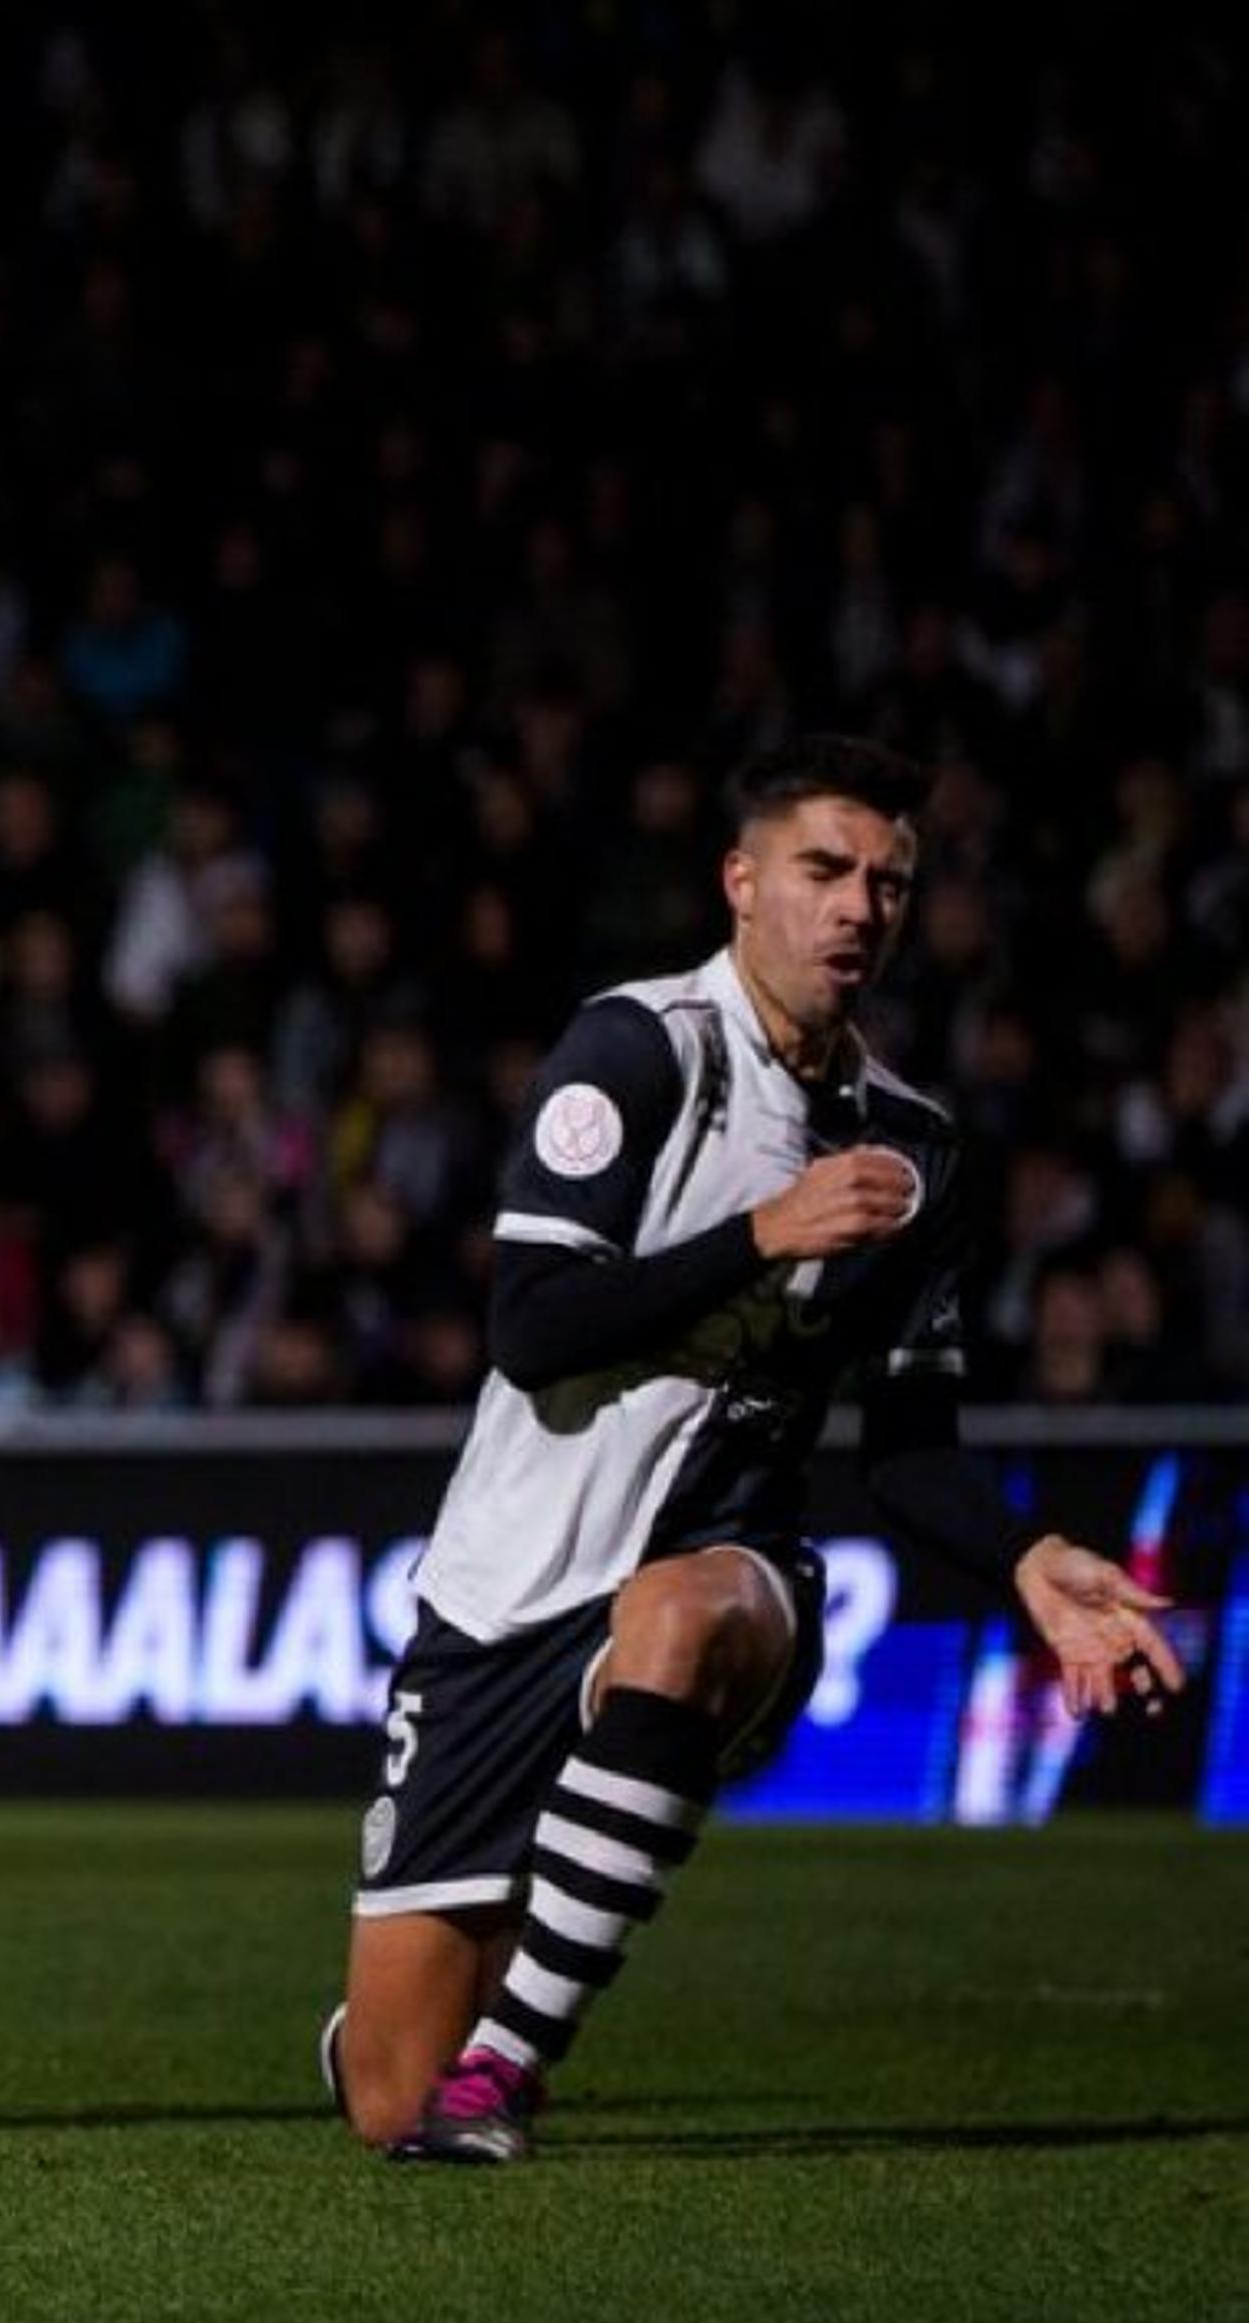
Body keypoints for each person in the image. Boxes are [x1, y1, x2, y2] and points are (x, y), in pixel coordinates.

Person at [330, 733, 1184, 2166]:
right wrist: (760, 1236)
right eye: (826, 869)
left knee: (689, 1613)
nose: (861, 907)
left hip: (729, 1559)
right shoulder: (635, 1049)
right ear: (743, 882)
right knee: (382, 2097)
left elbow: (912, 1451)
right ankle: (423, 2054)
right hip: (505, 1578)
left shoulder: (915, 1150)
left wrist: (1030, 1560)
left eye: (890, 883)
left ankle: (507, 2079)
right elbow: (532, 1328)